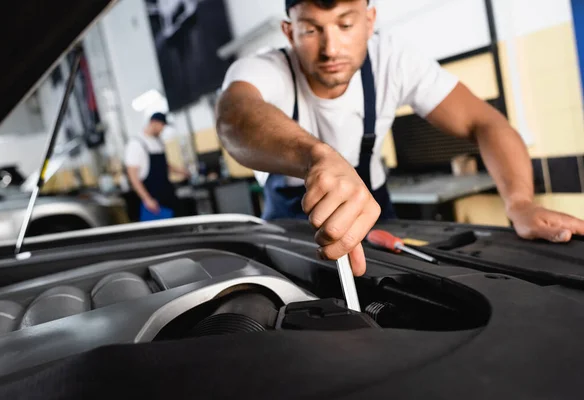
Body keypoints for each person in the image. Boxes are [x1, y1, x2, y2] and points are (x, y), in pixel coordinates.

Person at [216, 0, 584, 276]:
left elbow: (486, 123)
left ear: (369, 20)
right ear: (288, 31)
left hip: (378, 214)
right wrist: (317, 157)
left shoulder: (393, 61)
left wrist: (520, 204)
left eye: (345, 24)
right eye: (311, 30)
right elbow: (234, 116)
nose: (331, 49)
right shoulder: (266, 68)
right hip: (289, 221)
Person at [125, 112, 189, 221]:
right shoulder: (136, 144)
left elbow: (163, 165)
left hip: (168, 193)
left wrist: (180, 171)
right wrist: (147, 199)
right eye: (162, 126)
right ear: (153, 123)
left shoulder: (158, 141)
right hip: (154, 199)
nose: (162, 129)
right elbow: (133, 177)